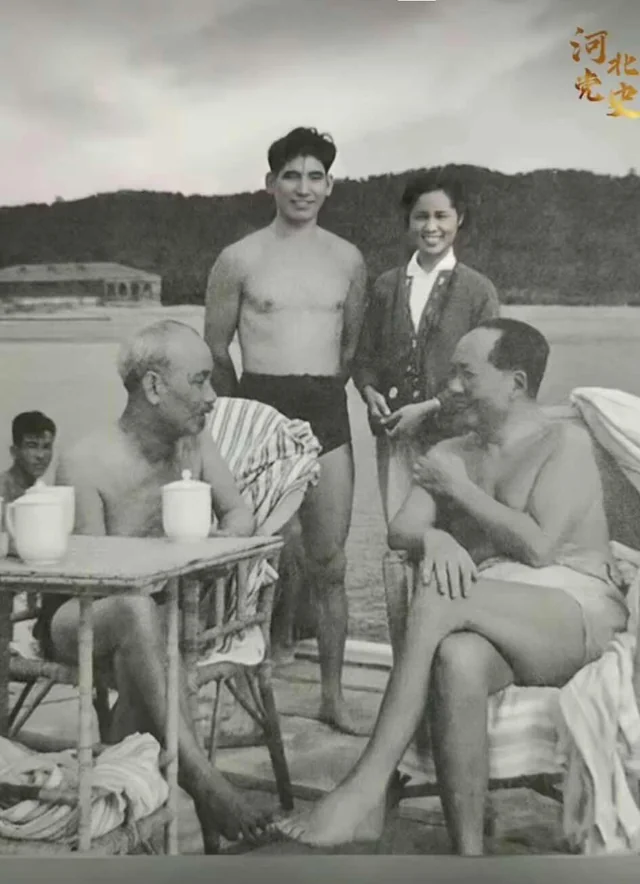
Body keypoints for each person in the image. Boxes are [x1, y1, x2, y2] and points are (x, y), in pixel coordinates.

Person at [274, 319, 629, 854]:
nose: (451, 386)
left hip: (578, 610)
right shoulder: (453, 452)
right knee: (458, 659)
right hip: (496, 613)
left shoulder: (564, 443)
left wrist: (460, 492)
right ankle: (468, 855)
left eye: (467, 374)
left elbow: (539, 548)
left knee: (442, 595)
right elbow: (401, 529)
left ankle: (367, 787)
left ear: (515, 382)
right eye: (452, 373)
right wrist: (435, 538)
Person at [37, 320, 271, 851]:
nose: (212, 397)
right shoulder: (87, 461)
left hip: (163, 618)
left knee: (152, 646)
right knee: (137, 615)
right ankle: (203, 782)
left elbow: (240, 514)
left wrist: (214, 545)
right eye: (200, 381)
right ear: (153, 386)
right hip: (78, 617)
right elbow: (91, 583)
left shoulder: (195, 443)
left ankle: (125, 805)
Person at [204, 127, 368, 735]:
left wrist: (320, 395)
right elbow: (215, 348)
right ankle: (250, 701)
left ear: (330, 185)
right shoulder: (239, 258)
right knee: (251, 561)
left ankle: (332, 696)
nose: (303, 187)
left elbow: (348, 348)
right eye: (291, 176)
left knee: (329, 563)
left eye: (315, 176)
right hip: (258, 409)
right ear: (270, 183)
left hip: (326, 410)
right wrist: (243, 416)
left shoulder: (347, 259)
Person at [353, 168, 500, 526]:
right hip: (396, 439)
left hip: (459, 438)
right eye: (421, 216)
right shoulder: (386, 286)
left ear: (459, 218)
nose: (431, 226)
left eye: (441, 216)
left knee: (455, 533)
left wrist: (431, 406)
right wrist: (369, 391)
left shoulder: (479, 290)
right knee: (402, 533)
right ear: (408, 220)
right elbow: (365, 356)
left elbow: (485, 369)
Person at [0, 411, 56, 504]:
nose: (40, 455)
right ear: (14, 451)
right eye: (32, 446)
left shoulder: (42, 491)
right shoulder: (2, 490)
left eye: (46, 447)